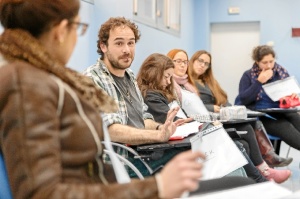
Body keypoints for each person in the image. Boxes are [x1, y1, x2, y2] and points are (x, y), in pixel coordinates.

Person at [0, 1, 251, 198]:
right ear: (60, 31)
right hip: (124, 175)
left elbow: (141, 121)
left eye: (130, 43)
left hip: (117, 180)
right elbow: (42, 193)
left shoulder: (38, 79)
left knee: (232, 173)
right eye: (78, 27)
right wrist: (158, 188)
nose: (127, 50)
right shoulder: (26, 85)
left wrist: (164, 130)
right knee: (239, 184)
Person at [165, 49, 291, 183]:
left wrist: (227, 108)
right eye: (179, 61)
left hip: (214, 118)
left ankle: (262, 170)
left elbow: (222, 99)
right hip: (203, 124)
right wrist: (212, 109)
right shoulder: (177, 85)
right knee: (247, 128)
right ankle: (263, 173)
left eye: (185, 62)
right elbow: (190, 110)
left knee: (253, 126)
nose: (202, 65)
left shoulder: (195, 83)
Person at [235, 45, 300, 151]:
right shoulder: (248, 75)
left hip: (280, 111)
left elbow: (290, 93)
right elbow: (244, 100)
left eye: (271, 61)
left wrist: (292, 96)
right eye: (265, 63)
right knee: (284, 126)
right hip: (261, 115)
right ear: (257, 61)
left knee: (296, 118)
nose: (269, 65)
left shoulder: (281, 72)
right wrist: (259, 82)